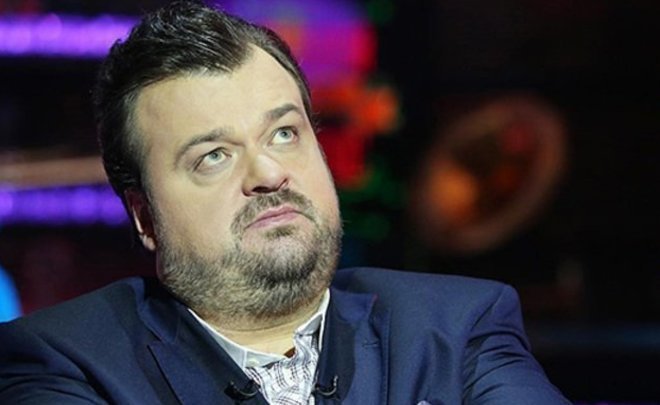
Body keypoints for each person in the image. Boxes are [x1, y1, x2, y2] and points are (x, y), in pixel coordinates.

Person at [0, 1, 569, 403]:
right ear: (146, 217)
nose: (269, 173)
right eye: (214, 156)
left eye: (284, 133)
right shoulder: (65, 363)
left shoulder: (458, 326)